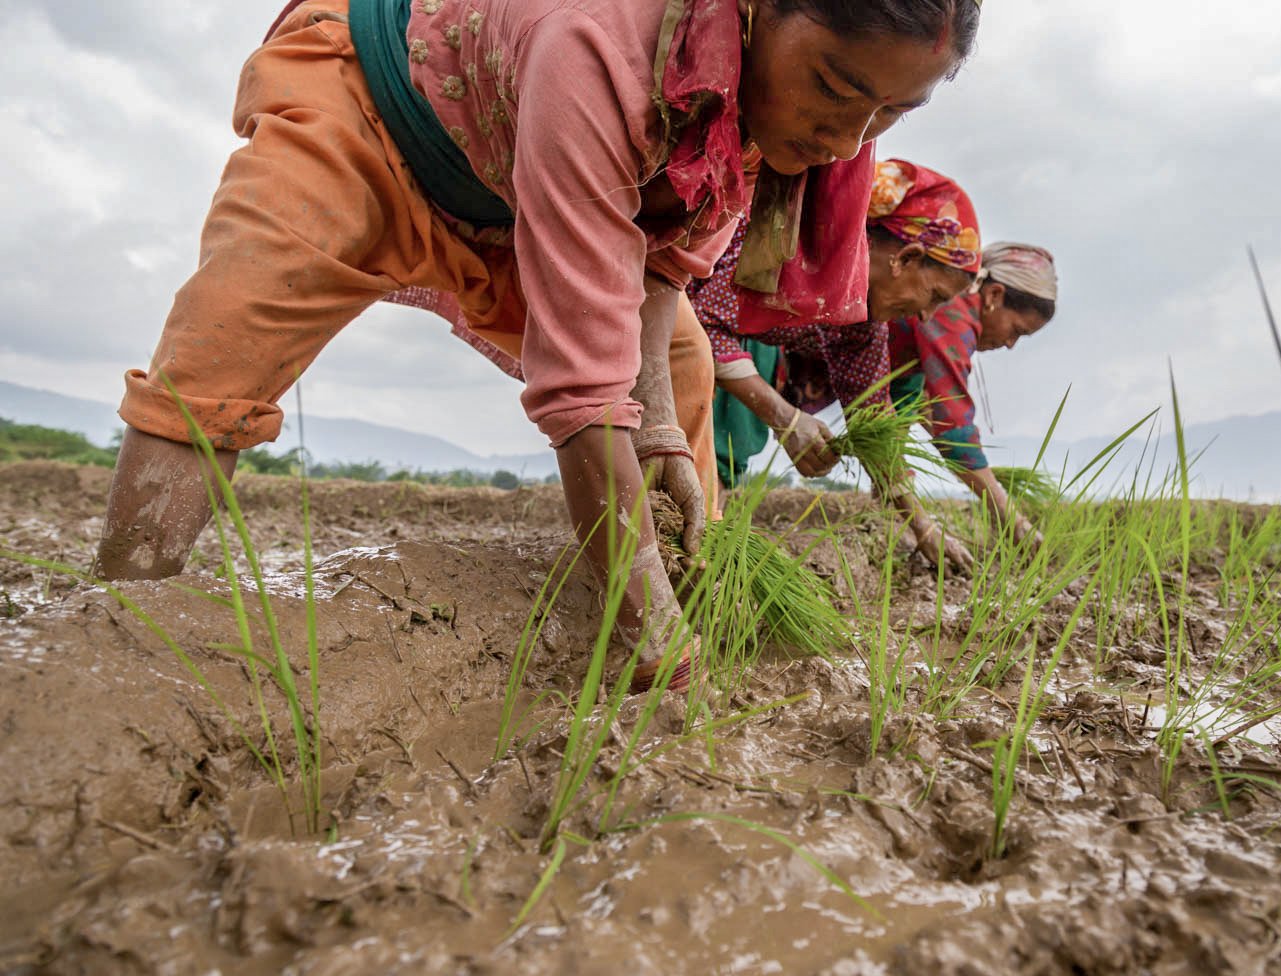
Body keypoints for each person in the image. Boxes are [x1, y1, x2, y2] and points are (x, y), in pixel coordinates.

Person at [92, 0, 982, 689]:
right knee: (238, 315)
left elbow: (661, 269)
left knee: (678, 355)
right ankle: (122, 626)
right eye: (832, 87)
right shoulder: (605, 43)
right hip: (373, 107)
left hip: (508, 185)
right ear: (755, 9)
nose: (845, 139)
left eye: (887, 113)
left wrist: (664, 432)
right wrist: (648, 645)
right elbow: (584, 395)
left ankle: (699, 584)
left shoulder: (749, 118)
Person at [694, 158, 981, 570]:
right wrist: (784, 417)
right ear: (907, 258)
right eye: (934, 295)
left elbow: (873, 419)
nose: (925, 317)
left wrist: (925, 528)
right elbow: (698, 323)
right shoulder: (790, 239)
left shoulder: (861, 326)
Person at [887, 241, 1058, 548]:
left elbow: (925, 407)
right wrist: (1010, 516)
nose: (1009, 344)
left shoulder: (952, 313)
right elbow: (953, 429)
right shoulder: (952, 313)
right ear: (994, 295)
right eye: (1016, 330)